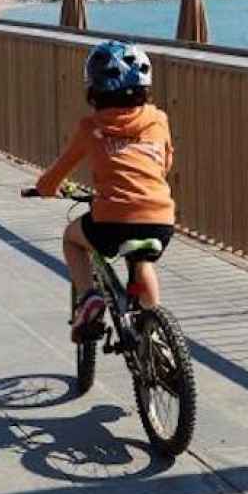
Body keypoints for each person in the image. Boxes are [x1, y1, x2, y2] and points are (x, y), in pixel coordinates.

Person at [32, 40, 176, 341]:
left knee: (72, 238)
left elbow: (59, 171)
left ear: (93, 91)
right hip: (160, 218)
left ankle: (88, 297)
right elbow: (165, 161)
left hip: (111, 221)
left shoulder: (90, 127)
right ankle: (156, 338)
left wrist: (44, 188)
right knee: (142, 262)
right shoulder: (159, 120)